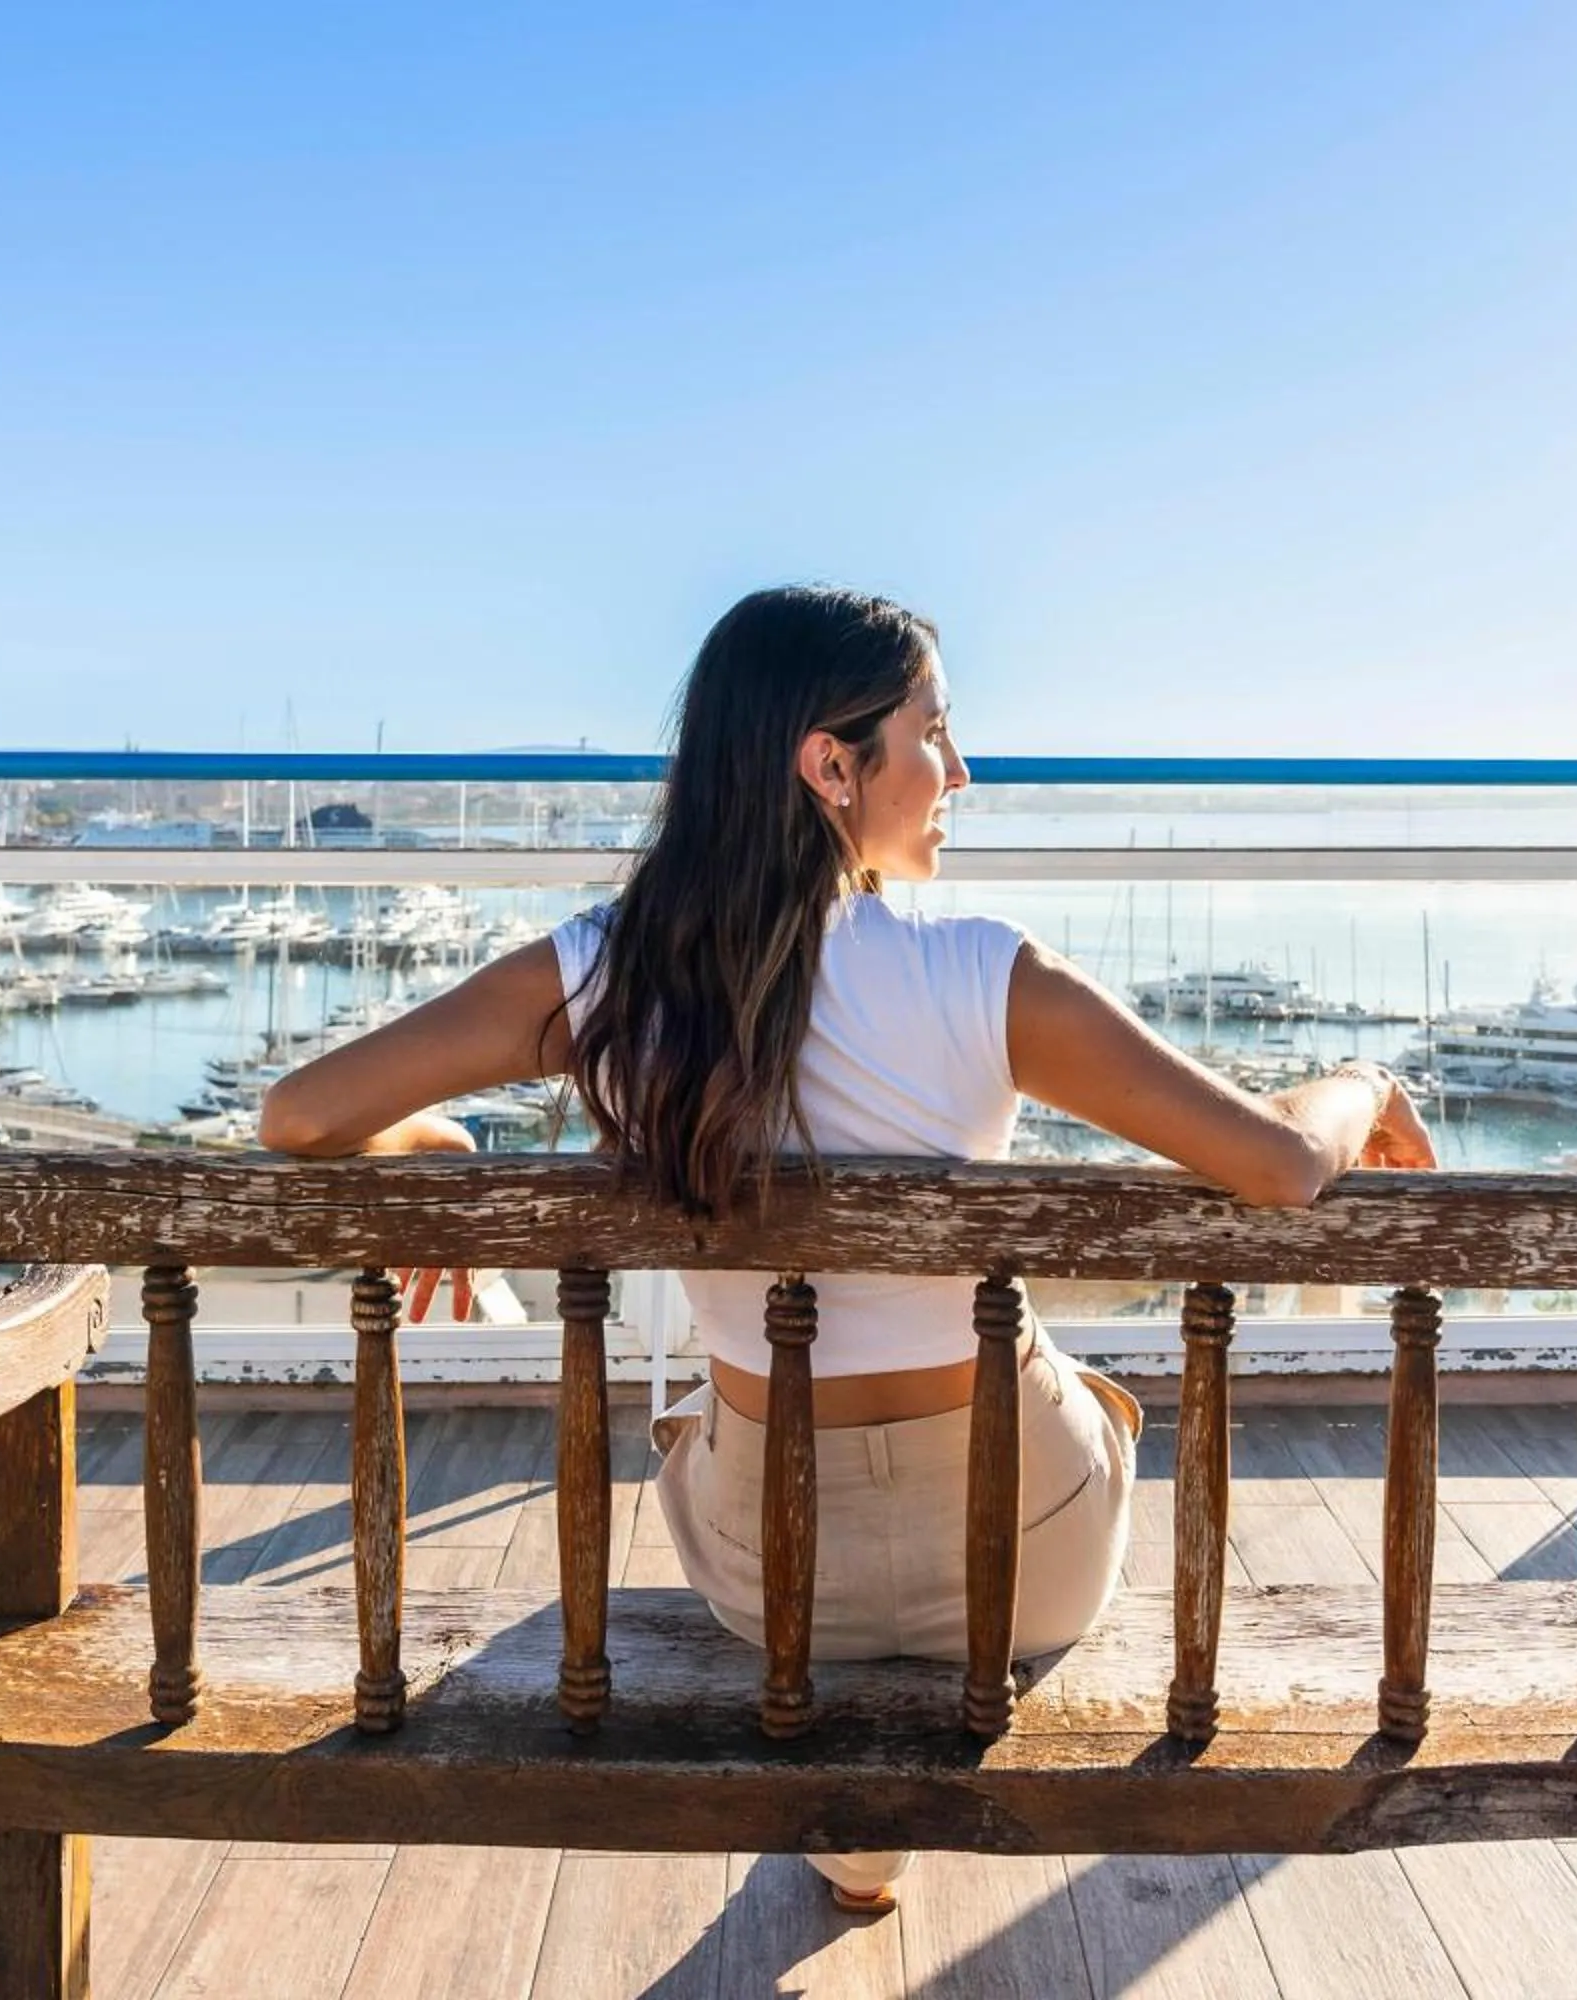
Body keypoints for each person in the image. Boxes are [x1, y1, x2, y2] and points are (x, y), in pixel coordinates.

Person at [258, 584, 1436, 1913]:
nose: (960, 771)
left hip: (773, 1576)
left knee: (720, 1432)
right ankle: (889, 1797)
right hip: (1020, 1564)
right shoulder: (984, 972)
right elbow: (1278, 1164)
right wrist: (1368, 1083)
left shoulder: (606, 977)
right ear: (831, 764)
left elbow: (299, 1117)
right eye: (935, 730)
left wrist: (438, 1148)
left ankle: (860, 1820)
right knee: (1085, 1402)